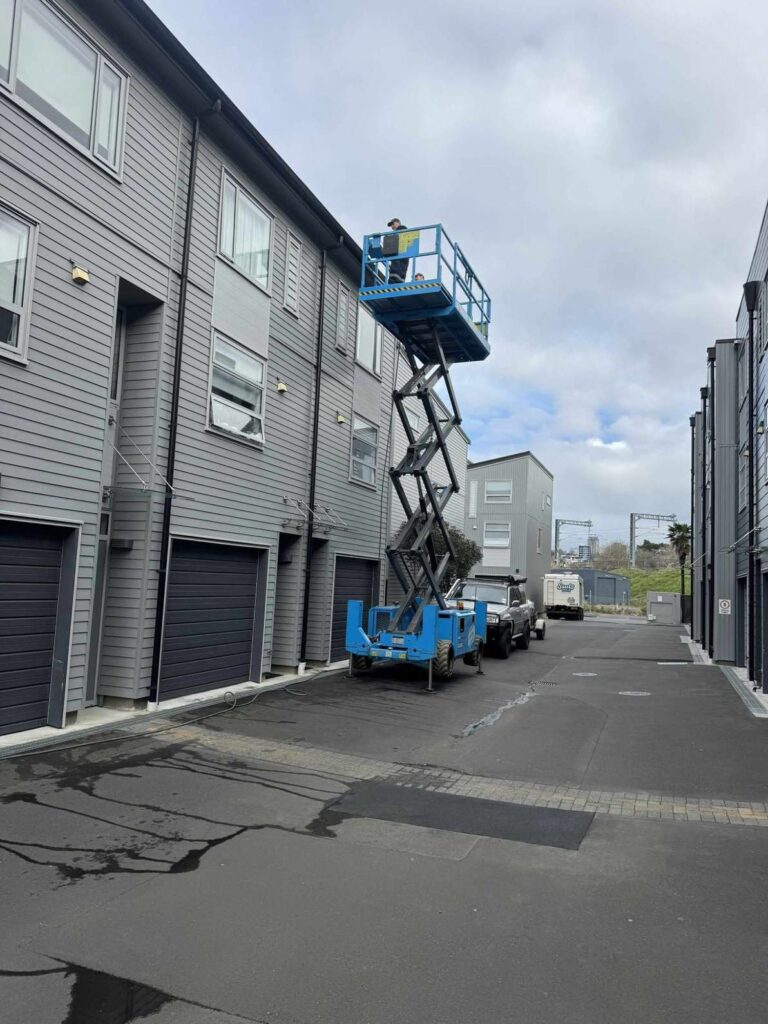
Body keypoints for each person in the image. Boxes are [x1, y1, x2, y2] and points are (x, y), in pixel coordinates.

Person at [386, 217, 409, 282]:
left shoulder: (401, 228)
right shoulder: (398, 232)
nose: (392, 226)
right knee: (400, 273)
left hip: (399, 255)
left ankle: (394, 281)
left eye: (393, 224)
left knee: (396, 271)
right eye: (391, 225)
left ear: (398, 222)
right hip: (402, 256)